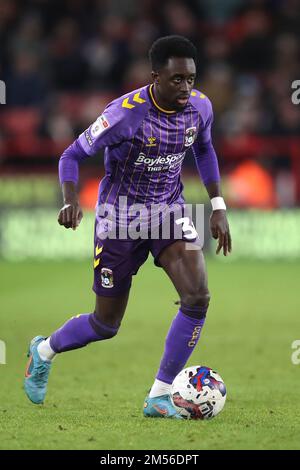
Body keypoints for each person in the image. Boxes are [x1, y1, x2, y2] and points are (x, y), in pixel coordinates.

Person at [24, 35, 231, 418]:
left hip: (169, 211)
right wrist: (70, 200)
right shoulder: (124, 114)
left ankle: (159, 395)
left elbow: (204, 148)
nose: (186, 88)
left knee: (198, 296)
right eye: (176, 80)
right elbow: (72, 154)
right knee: (106, 324)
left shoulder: (201, 107)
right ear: (155, 77)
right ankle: (43, 350)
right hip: (120, 220)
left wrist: (217, 204)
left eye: (191, 79)